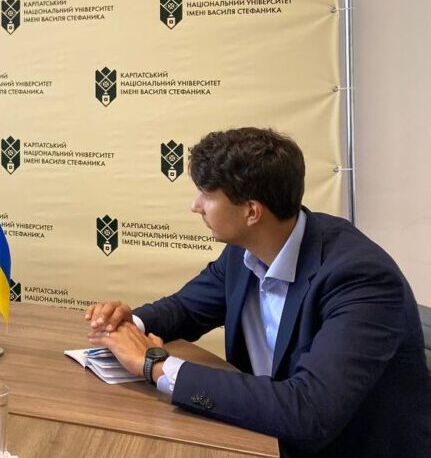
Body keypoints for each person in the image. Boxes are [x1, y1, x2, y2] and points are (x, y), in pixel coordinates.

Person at [85, 127, 430, 457]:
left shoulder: (360, 278)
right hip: (261, 435)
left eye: (207, 195)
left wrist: (155, 366)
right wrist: (128, 325)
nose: (196, 205)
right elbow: (186, 309)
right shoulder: (245, 250)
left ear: (252, 211)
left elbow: (310, 411)